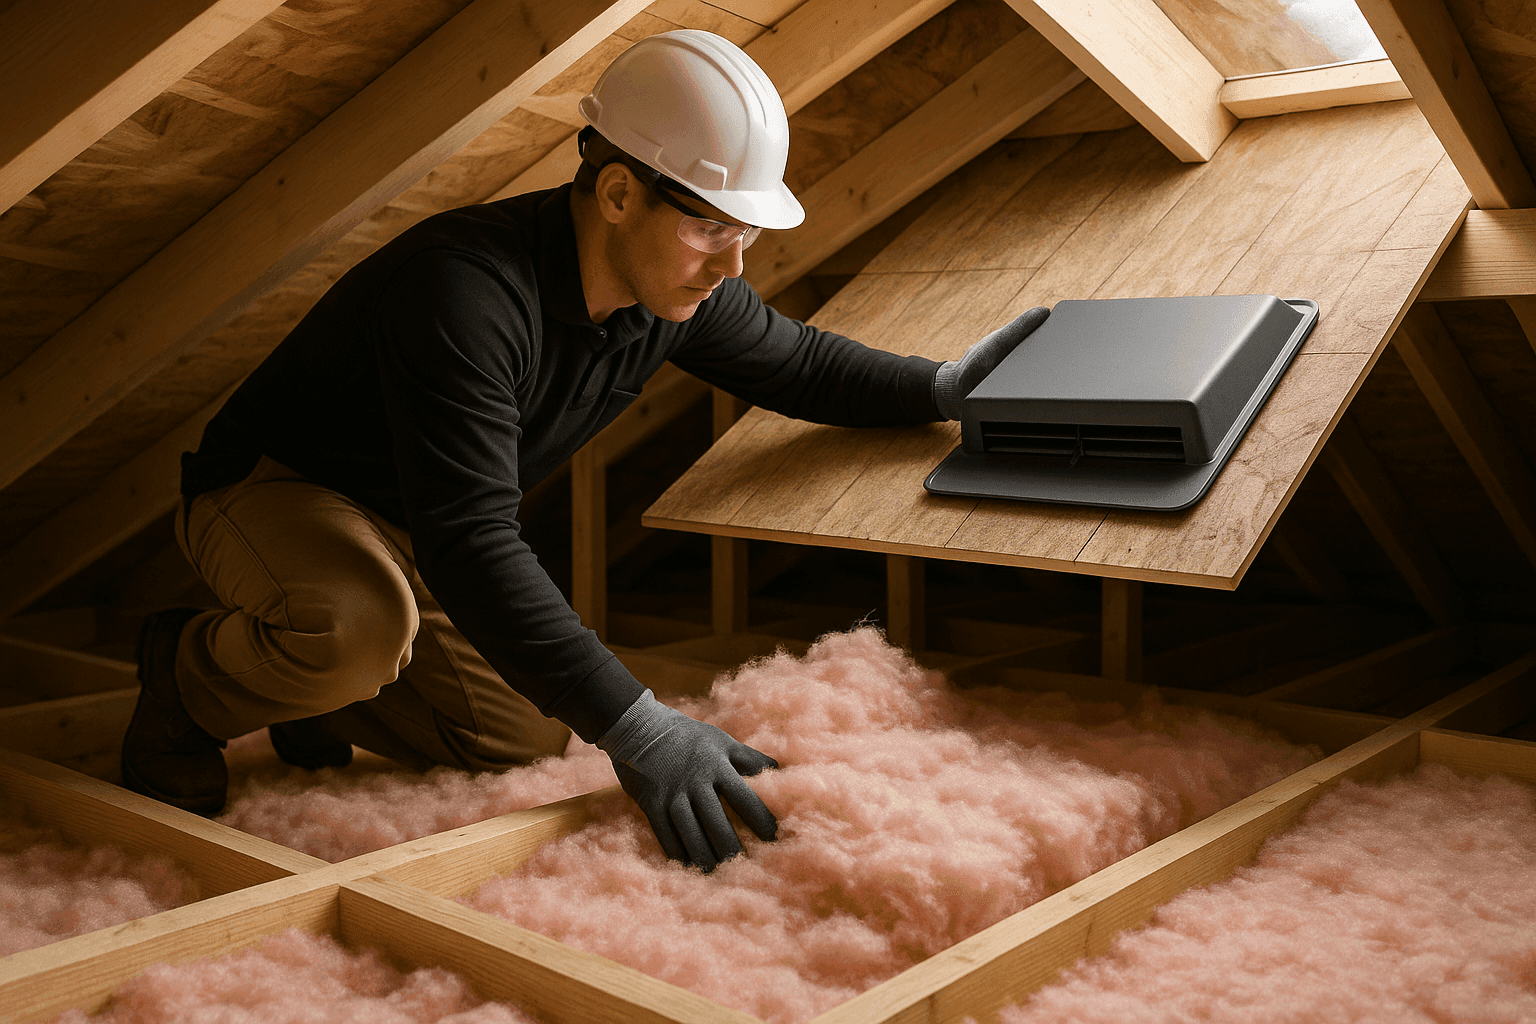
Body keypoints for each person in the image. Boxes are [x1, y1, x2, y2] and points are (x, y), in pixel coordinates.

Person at [120, 29, 1047, 871]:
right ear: (615, 192)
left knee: (521, 735)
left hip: (412, 522)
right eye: (709, 227)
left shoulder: (675, 287)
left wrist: (940, 388)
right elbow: (473, 541)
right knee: (360, 630)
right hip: (278, 493)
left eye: (746, 232)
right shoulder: (464, 292)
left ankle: (300, 683)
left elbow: (799, 361)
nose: (733, 266)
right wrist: (642, 727)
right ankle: (182, 678)